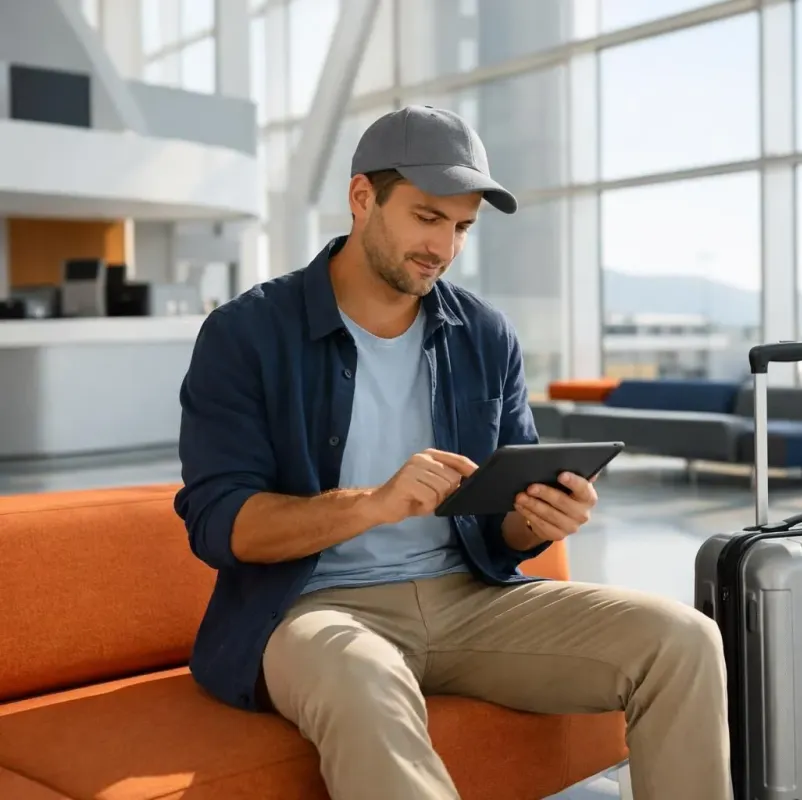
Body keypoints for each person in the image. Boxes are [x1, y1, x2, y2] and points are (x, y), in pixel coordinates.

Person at [174, 106, 732, 800]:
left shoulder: (484, 335)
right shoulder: (246, 334)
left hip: (470, 600)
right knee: (362, 675)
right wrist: (372, 505)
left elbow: (506, 526)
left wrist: (539, 517)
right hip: (314, 609)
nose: (443, 246)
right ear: (361, 199)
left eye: (461, 227)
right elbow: (221, 524)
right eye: (427, 217)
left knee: (683, 640)